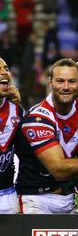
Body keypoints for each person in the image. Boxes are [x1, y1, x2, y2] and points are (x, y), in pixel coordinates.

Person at [16, 59, 78, 214]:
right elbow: (58, 169)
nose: (66, 87)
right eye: (60, 81)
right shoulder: (37, 119)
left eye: (71, 81)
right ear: (50, 83)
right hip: (35, 200)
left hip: (68, 199)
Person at [0, 58, 23, 213]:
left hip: (7, 196)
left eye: (6, 68)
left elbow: (26, 153)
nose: (4, 72)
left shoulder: (18, 111)